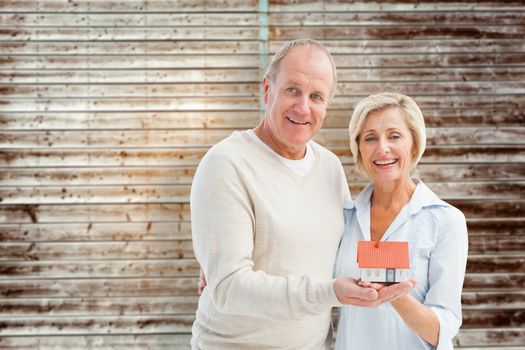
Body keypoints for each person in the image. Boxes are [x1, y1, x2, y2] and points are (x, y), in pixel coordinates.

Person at [190, 39, 414, 349]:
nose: (303, 107)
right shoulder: (226, 164)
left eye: (316, 96)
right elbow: (229, 287)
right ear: (268, 90)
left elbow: (346, 249)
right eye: (292, 90)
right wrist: (218, 271)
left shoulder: (329, 167)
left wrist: (415, 246)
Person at [334, 92, 468, 349]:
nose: (382, 148)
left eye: (394, 136)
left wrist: (395, 296)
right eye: (370, 138)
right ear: (359, 149)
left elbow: (444, 327)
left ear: (414, 144)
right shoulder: (345, 217)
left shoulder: (445, 221)